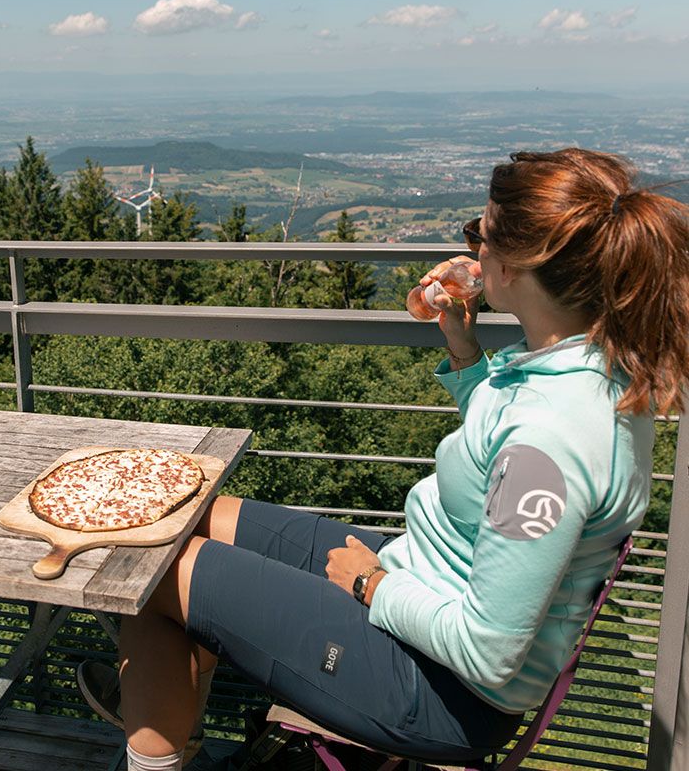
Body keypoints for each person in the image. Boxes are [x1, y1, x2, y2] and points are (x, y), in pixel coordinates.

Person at [78, 148, 689, 771]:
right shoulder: (589, 368)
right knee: (190, 515)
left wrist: (371, 585)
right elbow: (500, 449)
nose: (471, 252)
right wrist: (463, 349)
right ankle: (163, 710)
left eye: (478, 234)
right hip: (421, 588)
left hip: (440, 690)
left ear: (515, 264)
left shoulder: (551, 444)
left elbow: (489, 651)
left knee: (150, 570)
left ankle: (154, 731)